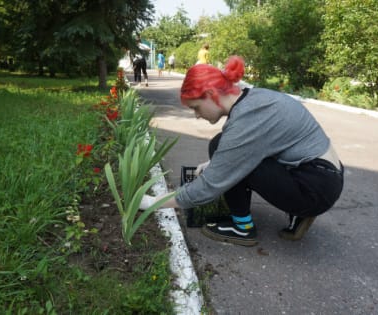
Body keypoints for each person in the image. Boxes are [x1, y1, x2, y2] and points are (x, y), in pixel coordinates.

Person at [140, 56, 344, 247]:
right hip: (321, 175)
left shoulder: (246, 120)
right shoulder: (253, 99)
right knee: (222, 145)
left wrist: (152, 203)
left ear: (211, 95)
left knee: (230, 158)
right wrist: (213, 163)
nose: (196, 116)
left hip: (315, 188)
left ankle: (242, 228)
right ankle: (298, 212)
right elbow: (259, 144)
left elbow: (211, 185)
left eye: (196, 107)